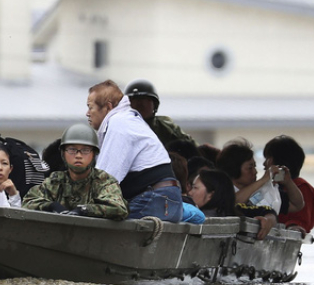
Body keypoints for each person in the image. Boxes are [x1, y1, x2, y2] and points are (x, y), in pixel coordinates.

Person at [87, 80, 183, 222]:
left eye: (91, 107)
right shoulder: (129, 120)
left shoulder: (119, 123)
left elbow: (105, 180)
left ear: (108, 107)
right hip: (169, 201)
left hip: (153, 200)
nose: (87, 113)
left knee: (98, 230)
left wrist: (79, 207)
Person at [22, 123, 128, 220]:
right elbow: (28, 202)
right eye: (72, 150)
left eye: (85, 150)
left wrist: (85, 210)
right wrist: (51, 206)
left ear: (93, 154)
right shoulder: (55, 180)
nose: (78, 155)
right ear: (63, 154)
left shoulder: (104, 181)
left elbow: (118, 208)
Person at [216, 138, 304, 215]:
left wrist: (288, 183)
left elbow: (297, 205)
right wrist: (263, 179)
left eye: (254, 166)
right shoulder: (218, 190)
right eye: (250, 168)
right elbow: (232, 202)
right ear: (233, 169)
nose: (255, 172)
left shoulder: (262, 191)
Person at [263, 135, 314, 236]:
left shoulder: (302, 187)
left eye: (268, 158)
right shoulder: (270, 187)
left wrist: (294, 227)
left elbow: (300, 219)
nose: (264, 164)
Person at [124, 79, 196, 148]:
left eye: (145, 99)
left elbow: (193, 150)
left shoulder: (167, 128)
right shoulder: (119, 127)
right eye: (134, 100)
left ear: (154, 105)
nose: (140, 103)